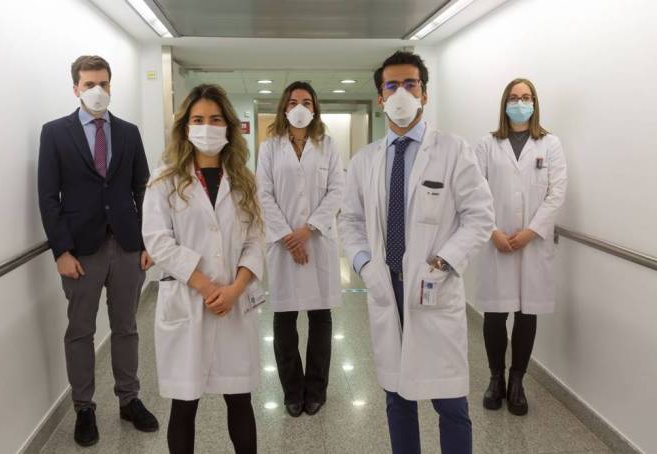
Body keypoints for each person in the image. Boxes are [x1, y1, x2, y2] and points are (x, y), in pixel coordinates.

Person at [339, 51, 494, 454]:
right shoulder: (365, 161)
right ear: (380, 97)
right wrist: (365, 265)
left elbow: (480, 216)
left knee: (451, 404)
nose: (401, 93)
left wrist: (444, 261)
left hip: (433, 287)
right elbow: (350, 221)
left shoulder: (453, 151)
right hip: (385, 286)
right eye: (391, 86)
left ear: (424, 93)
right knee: (397, 398)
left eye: (410, 84)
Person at [37, 55, 158, 447]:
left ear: (110, 85)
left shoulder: (129, 132)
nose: (97, 91)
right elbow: (48, 197)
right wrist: (61, 251)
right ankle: (84, 408)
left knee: (126, 326)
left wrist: (146, 242)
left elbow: (142, 188)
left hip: (127, 246)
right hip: (80, 251)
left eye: (103, 83)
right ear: (75, 87)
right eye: (89, 84)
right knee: (80, 331)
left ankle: (129, 399)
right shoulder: (55, 133)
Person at [142, 84, 265, 454]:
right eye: (198, 120)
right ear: (185, 127)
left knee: (240, 400)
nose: (206, 127)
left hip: (233, 303)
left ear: (228, 127)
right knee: (184, 404)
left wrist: (234, 289)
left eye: (214, 119)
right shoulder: (164, 180)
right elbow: (158, 241)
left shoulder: (244, 180)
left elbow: (256, 241)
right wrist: (207, 287)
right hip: (188, 300)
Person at [474, 78, 567, 416]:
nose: (520, 103)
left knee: (527, 314)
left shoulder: (550, 144)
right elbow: (474, 192)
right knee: (495, 315)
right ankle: (495, 378)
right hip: (496, 242)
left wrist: (531, 232)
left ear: (534, 103)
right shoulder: (486, 145)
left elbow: (557, 192)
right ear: (504, 104)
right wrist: (493, 231)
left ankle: (517, 382)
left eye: (526, 97)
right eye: (514, 97)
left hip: (532, 245)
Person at [256, 81, 344, 417]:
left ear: (315, 108)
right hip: (283, 246)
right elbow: (263, 194)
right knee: (285, 319)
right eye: (293, 102)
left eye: (306, 102)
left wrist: (307, 230)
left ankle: (316, 390)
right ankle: (292, 391)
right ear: (284, 107)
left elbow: (337, 190)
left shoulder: (328, 145)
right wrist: (288, 237)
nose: (300, 108)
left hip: (317, 241)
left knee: (321, 318)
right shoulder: (270, 148)